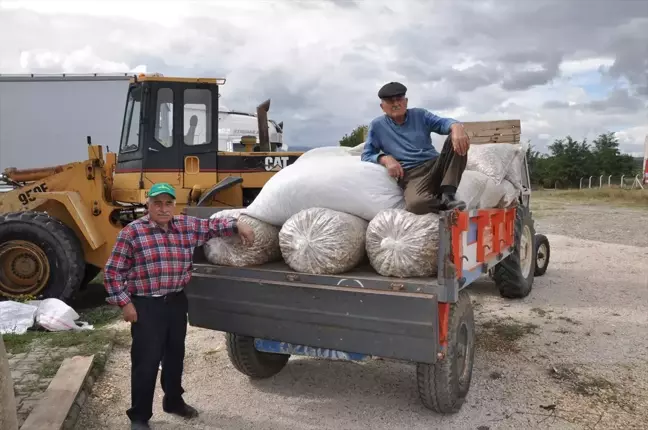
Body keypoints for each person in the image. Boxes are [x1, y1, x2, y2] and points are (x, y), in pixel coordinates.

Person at [103, 182, 255, 430]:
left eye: (168, 203)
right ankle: (139, 416)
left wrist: (238, 224)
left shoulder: (185, 226)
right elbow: (112, 273)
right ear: (148, 205)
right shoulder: (132, 233)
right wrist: (125, 303)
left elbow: (211, 226)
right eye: (157, 203)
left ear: (175, 205)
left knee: (175, 357)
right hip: (146, 306)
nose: (163, 208)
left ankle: (173, 401)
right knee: (146, 361)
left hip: (175, 302)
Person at [361, 81, 471, 214]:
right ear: (382, 106)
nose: (396, 104)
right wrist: (385, 158)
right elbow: (367, 154)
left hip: (436, 165)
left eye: (399, 99)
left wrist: (456, 126)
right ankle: (441, 204)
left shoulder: (420, 115)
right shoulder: (377, 126)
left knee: (459, 137)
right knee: (416, 205)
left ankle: (448, 195)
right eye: (390, 101)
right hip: (413, 175)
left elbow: (443, 123)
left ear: (406, 101)